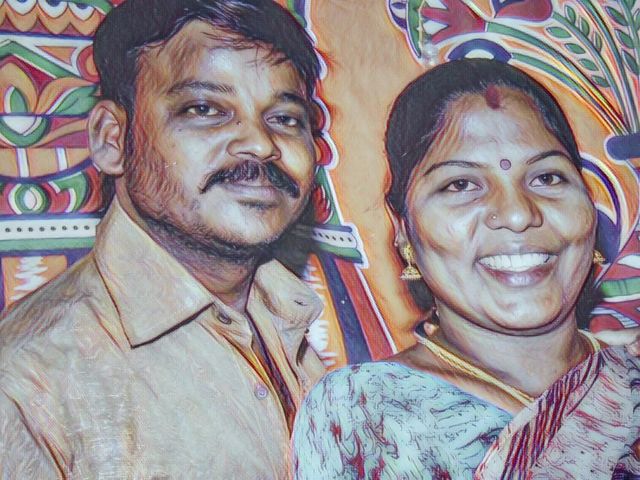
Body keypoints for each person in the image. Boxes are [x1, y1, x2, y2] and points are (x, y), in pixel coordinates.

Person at [0, 0, 325, 477]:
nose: (260, 144)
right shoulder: (30, 381)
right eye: (205, 109)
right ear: (113, 139)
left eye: (285, 118)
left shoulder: (284, 319)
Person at [291, 59, 640, 479]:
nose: (517, 214)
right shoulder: (365, 415)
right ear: (403, 231)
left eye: (547, 178)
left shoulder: (629, 374)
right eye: (460, 185)